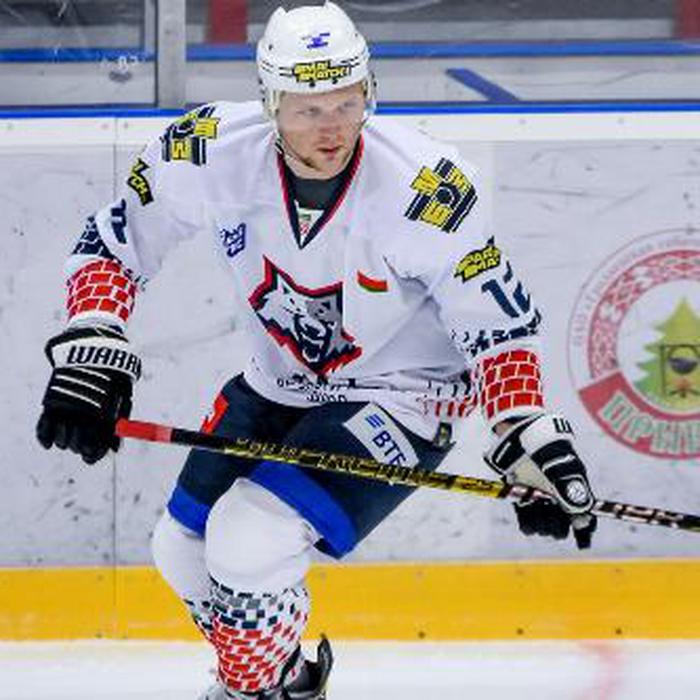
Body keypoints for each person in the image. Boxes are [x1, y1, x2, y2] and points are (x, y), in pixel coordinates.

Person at [35, 2, 597, 698]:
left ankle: (249, 692)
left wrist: (525, 430)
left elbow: (495, 324)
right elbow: (115, 242)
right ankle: (289, 681)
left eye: (346, 102)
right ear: (270, 103)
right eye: (307, 110)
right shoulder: (207, 151)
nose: (331, 127)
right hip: (278, 380)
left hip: (404, 396)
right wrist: (92, 339)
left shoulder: (428, 187)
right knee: (180, 550)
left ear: (369, 92)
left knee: (248, 543)